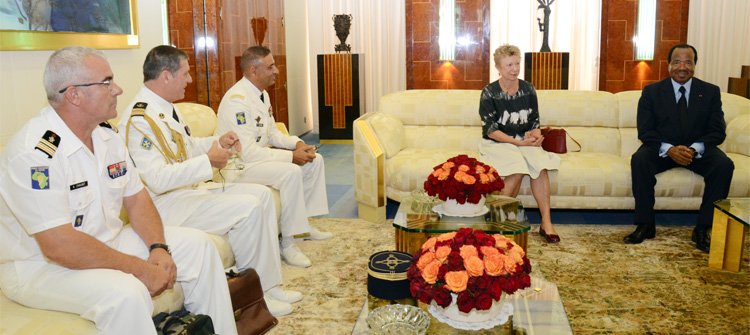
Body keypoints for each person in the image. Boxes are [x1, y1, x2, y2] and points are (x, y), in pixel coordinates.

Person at [0, 46, 237, 334]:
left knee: (199, 246)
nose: (118, 89)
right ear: (74, 94)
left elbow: (137, 199)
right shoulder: (35, 154)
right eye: (107, 82)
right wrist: (138, 268)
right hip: (41, 268)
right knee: (126, 292)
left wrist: (158, 248)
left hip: (107, 241)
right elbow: (58, 246)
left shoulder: (106, 137)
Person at [117, 45, 301, 316]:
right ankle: (255, 296)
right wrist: (208, 162)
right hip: (161, 206)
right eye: (185, 73)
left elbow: (187, 145)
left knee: (261, 195)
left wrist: (217, 141)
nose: (189, 80)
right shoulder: (139, 120)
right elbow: (156, 179)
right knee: (248, 208)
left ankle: (270, 286)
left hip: (184, 194)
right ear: (166, 76)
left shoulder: (166, 107)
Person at [215, 46, 332, 261]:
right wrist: (291, 157)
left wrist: (297, 144)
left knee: (315, 160)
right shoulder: (237, 101)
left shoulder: (262, 96)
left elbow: (271, 134)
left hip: (255, 159)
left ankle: (302, 227)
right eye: (270, 67)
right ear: (253, 71)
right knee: (290, 172)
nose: (276, 71)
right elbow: (247, 153)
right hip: (237, 166)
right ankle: (287, 244)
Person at [623, 44, 734, 252]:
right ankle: (645, 225)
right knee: (640, 160)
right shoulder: (651, 92)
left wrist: (693, 149)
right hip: (662, 148)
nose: (682, 67)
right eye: (677, 62)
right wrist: (670, 149)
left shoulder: (710, 92)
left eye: (688, 62)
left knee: (724, 165)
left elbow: (718, 132)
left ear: (695, 65)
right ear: (668, 66)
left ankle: (703, 228)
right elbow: (645, 132)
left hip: (698, 150)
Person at [478, 44, 561, 243]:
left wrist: (535, 137)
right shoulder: (489, 92)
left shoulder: (528, 89)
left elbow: (534, 122)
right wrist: (518, 143)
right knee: (517, 167)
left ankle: (546, 223)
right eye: (509, 65)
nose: (514, 69)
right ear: (498, 67)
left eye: (517, 63)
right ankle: (498, 223)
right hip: (498, 143)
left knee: (540, 166)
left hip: (524, 141)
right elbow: (491, 130)